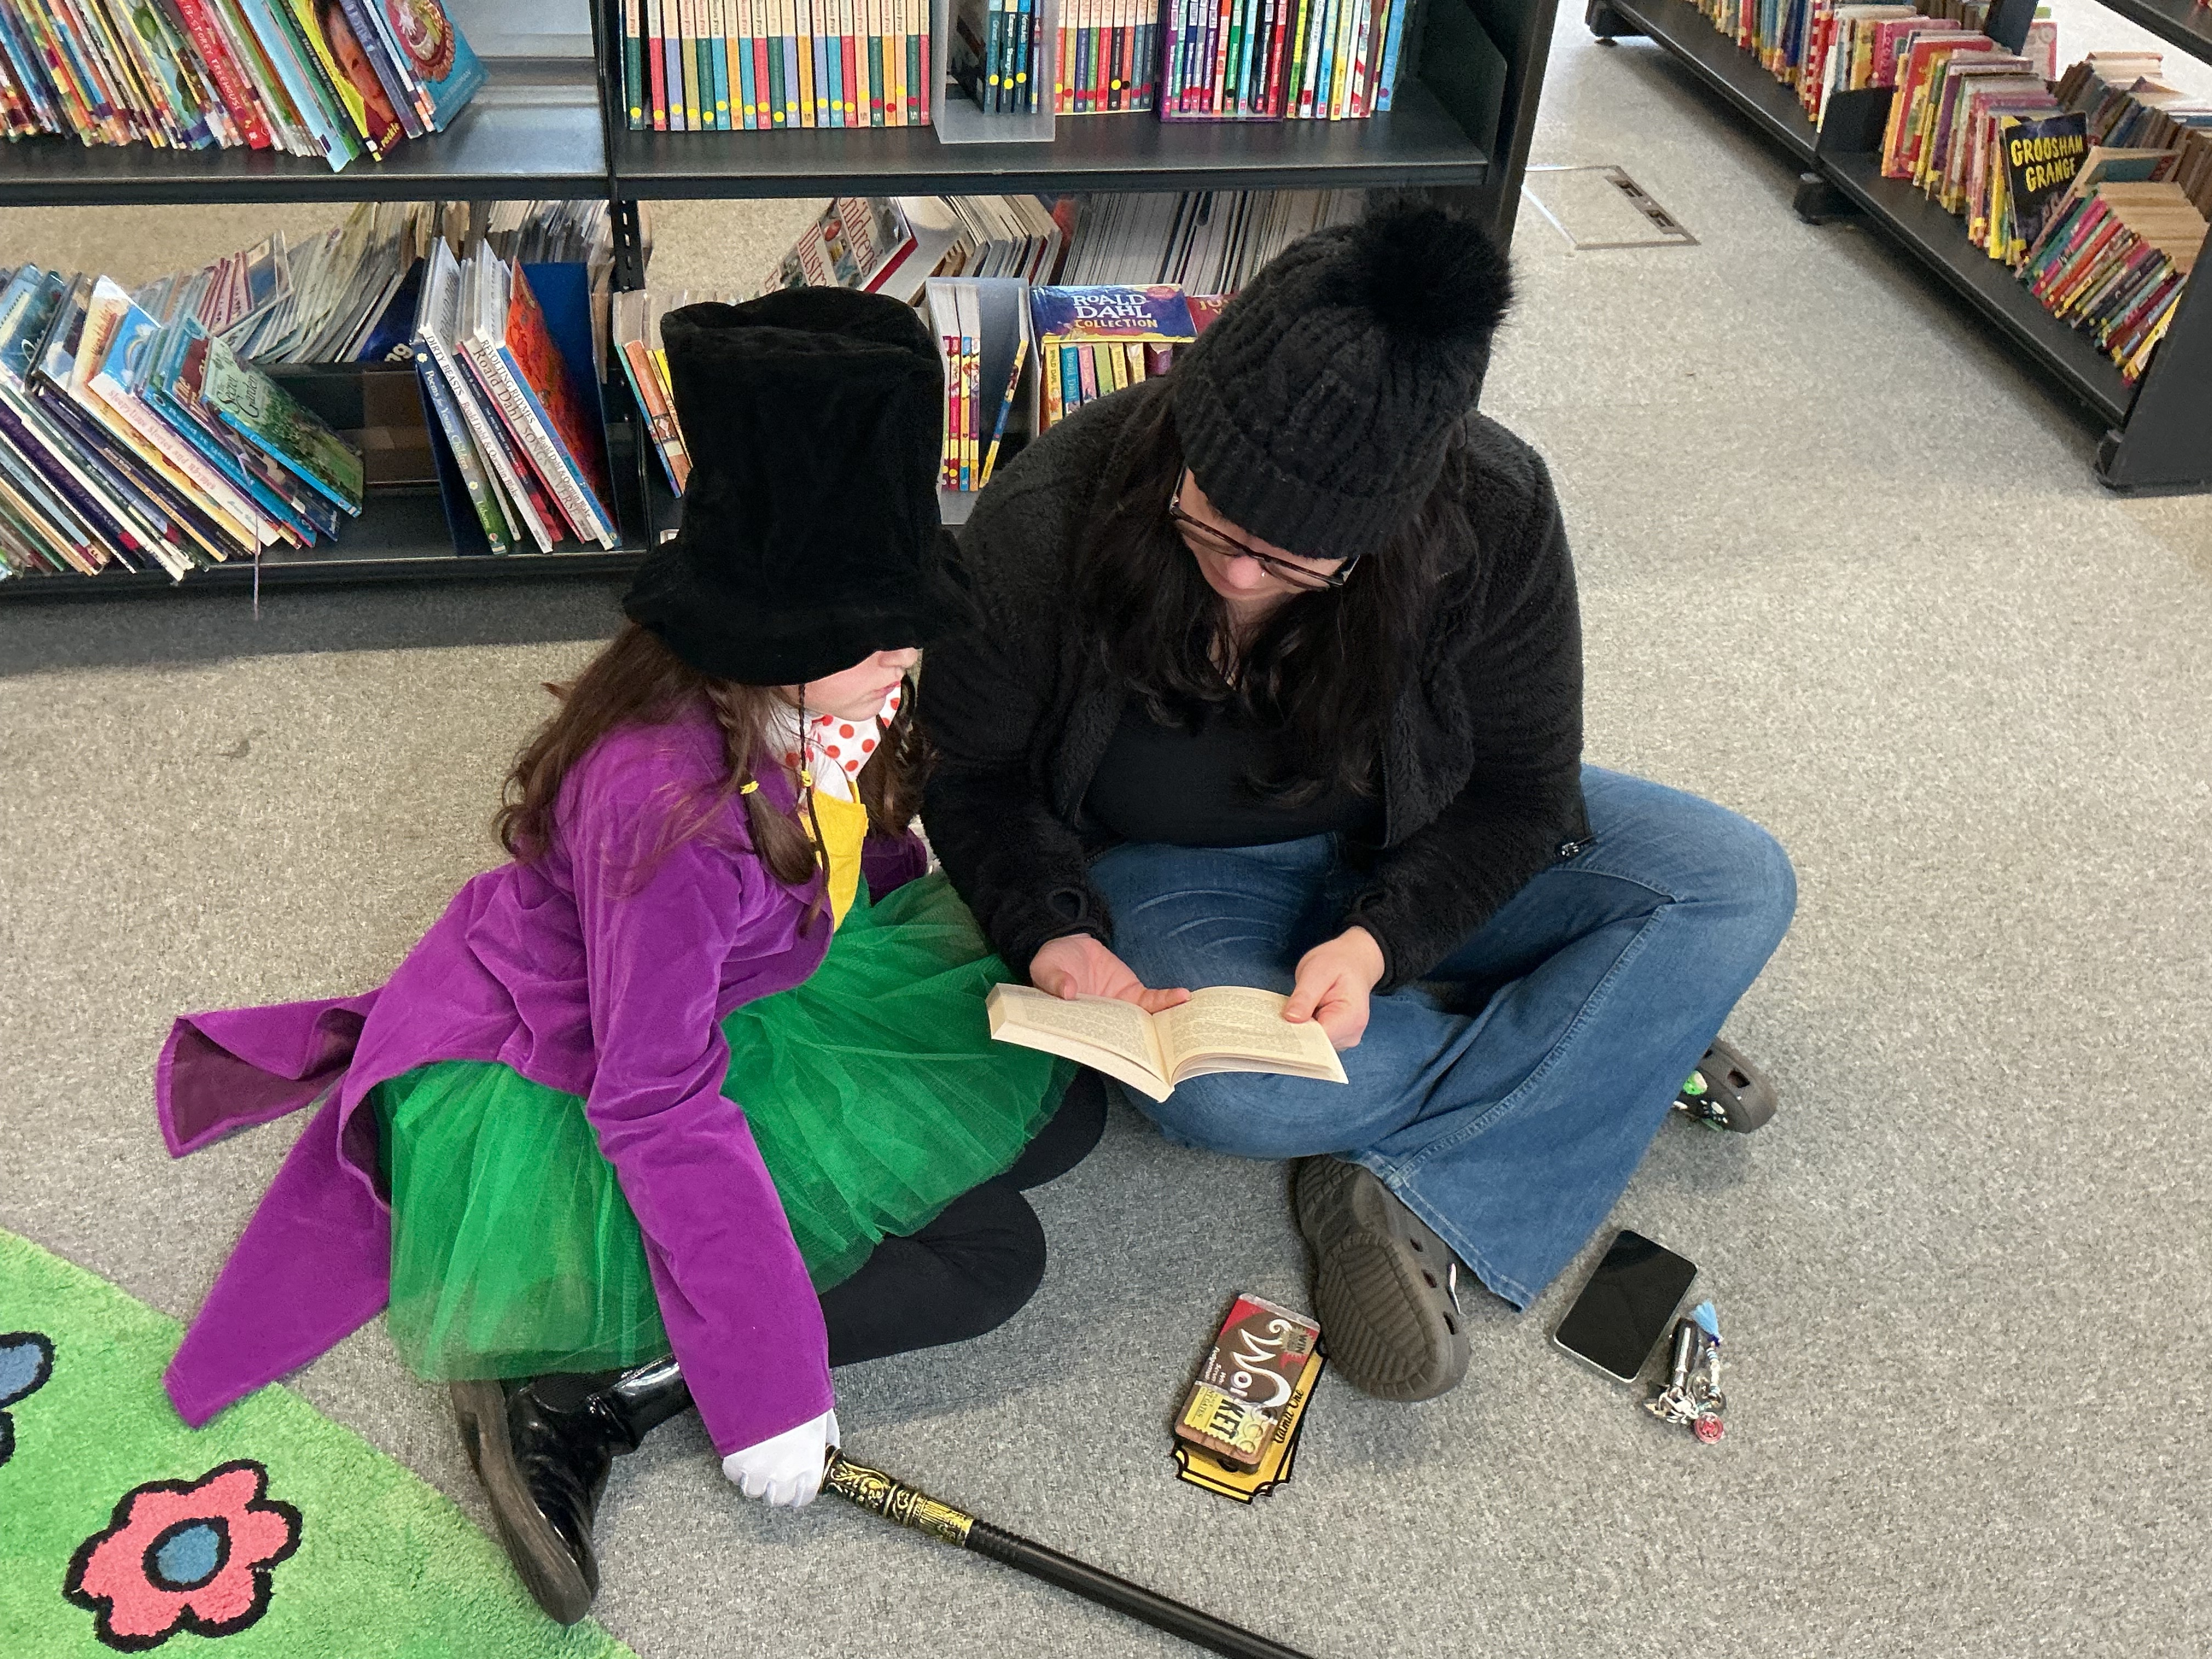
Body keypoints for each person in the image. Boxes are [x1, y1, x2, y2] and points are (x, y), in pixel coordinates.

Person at [153, 289, 1092, 1624]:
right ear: (782, 634)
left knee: (1059, 1115)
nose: (913, 651)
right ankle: (591, 1392)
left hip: (747, 980)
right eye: (884, 631)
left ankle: (700, 1315)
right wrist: (766, 1380)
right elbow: (654, 1101)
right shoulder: (674, 815)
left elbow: (855, 844)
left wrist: (920, 947)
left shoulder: (814, 700)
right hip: (591, 1070)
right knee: (995, 1261)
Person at [919, 202, 1798, 1403]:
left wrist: (1383, 942)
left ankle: (1423, 1170)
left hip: (1426, 828)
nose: (1239, 573)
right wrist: (1049, 928)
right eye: (1212, 520)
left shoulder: (1497, 508)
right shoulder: (1046, 516)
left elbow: (1524, 792)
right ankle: (1614, 1031)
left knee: (1735, 881)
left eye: (1296, 561)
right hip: (1183, 874)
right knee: (1225, 1098)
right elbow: (971, 777)